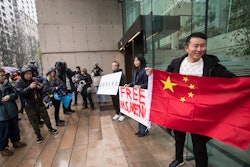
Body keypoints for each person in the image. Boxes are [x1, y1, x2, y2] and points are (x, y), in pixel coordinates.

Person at [146, 32, 235, 167]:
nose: (199, 49)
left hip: (200, 112)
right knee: (179, 138)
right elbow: (166, 78)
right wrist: (153, 74)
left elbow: (232, 80)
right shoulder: (176, 63)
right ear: (186, 48)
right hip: (179, 109)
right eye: (196, 46)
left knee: (199, 144)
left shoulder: (212, 65)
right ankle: (178, 158)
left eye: (203, 46)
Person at [15, 65, 59, 144]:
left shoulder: (34, 79)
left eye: (30, 74)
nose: (29, 75)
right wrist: (29, 87)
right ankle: (38, 135)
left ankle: (50, 128)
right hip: (29, 106)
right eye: (27, 74)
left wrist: (40, 88)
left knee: (46, 116)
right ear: (23, 74)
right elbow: (21, 93)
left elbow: (42, 89)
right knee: (34, 121)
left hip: (39, 103)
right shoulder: (19, 82)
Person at [0, 68, 26, 156]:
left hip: (11, 110)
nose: (4, 77)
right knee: (4, 131)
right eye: (2, 75)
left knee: (14, 127)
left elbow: (15, 94)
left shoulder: (8, 84)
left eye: (4, 75)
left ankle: (16, 141)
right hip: (2, 114)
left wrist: (9, 96)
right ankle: (3, 148)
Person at [125, 54, 149, 137]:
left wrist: (140, 86)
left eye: (137, 60)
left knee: (143, 112)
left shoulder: (145, 70)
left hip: (144, 95)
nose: (135, 62)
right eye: (134, 60)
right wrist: (129, 85)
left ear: (141, 61)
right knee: (139, 112)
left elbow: (148, 83)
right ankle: (140, 129)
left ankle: (145, 130)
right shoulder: (135, 71)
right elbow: (135, 82)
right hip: (137, 95)